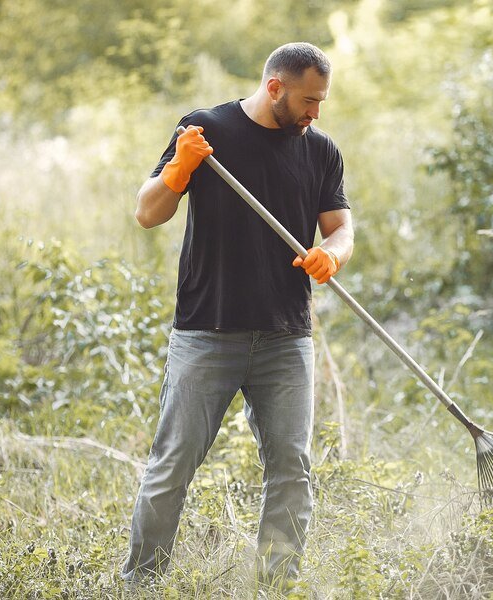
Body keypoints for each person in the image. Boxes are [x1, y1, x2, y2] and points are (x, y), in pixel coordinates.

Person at [122, 42, 353, 588]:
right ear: (275, 87)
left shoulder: (321, 151)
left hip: (286, 337)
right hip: (207, 332)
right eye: (307, 101)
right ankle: (140, 584)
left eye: (321, 102)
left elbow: (342, 228)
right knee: (172, 466)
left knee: (292, 472)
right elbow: (148, 213)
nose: (315, 112)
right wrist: (179, 168)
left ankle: (277, 586)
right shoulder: (206, 130)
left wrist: (333, 255)